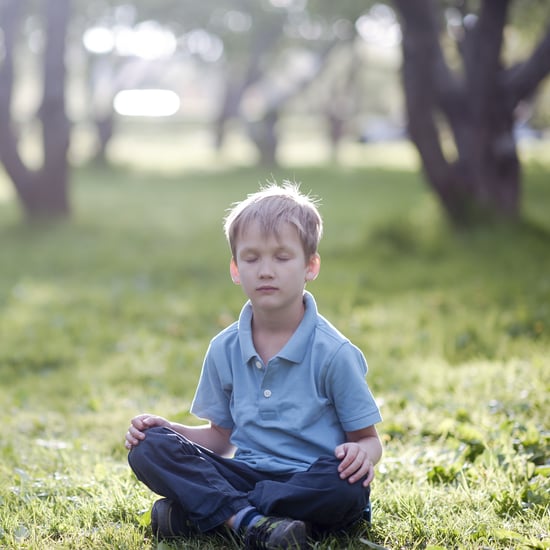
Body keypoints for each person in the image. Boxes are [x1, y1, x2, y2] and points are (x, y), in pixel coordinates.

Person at [125, 182, 383, 549]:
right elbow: (219, 439)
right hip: (242, 474)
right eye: (251, 258)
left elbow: (369, 441)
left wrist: (362, 454)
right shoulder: (224, 348)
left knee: (346, 486)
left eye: (282, 257)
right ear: (235, 269)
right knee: (149, 446)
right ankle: (251, 522)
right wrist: (171, 429)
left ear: (310, 266)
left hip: (307, 481)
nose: (265, 271)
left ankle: (212, 515)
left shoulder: (334, 353)